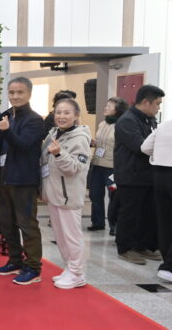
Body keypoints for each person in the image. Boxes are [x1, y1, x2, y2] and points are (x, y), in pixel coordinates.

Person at [0, 76, 47, 285]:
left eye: (20, 92)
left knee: (27, 224)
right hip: (4, 177)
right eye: (12, 92)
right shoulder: (7, 115)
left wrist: (6, 131)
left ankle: (33, 267)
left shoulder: (34, 120)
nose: (15, 96)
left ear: (29, 94)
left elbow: (23, 145)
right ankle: (15, 260)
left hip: (23, 179)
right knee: (6, 222)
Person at [41, 98, 92, 289]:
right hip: (54, 193)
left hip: (68, 195)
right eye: (58, 112)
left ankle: (77, 273)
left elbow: (75, 167)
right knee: (60, 236)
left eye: (66, 113)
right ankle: (69, 268)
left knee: (71, 236)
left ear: (76, 115)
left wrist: (59, 154)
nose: (61, 116)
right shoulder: (54, 132)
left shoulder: (80, 138)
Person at [115, 85, 165, 265]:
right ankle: (125, 248)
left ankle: (141, 245)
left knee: (146, 214)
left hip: (147, 176)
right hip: (131, 176)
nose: (158, 108)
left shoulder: (149, 119)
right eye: (157, 104)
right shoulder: (127, 120)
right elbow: (139, 146)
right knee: (130, 214)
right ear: (146, 102)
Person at [87, 97, 128, 233]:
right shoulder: (102, 124)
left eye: (109, 106)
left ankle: (114, 226)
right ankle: (97, 222)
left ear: (118, 109)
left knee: (113, 196)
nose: (106, 107)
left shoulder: (121, 125)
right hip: (97, 165)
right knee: (95, 194)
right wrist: (94, 143)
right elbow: (102, 142)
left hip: (112, 167)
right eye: (106, 105)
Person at [141, 118, 172, 283]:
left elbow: (145, 147)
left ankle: (167, 262)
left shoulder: (165, 124)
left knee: (164, 220)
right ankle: (169, 267)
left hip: (159, 174)